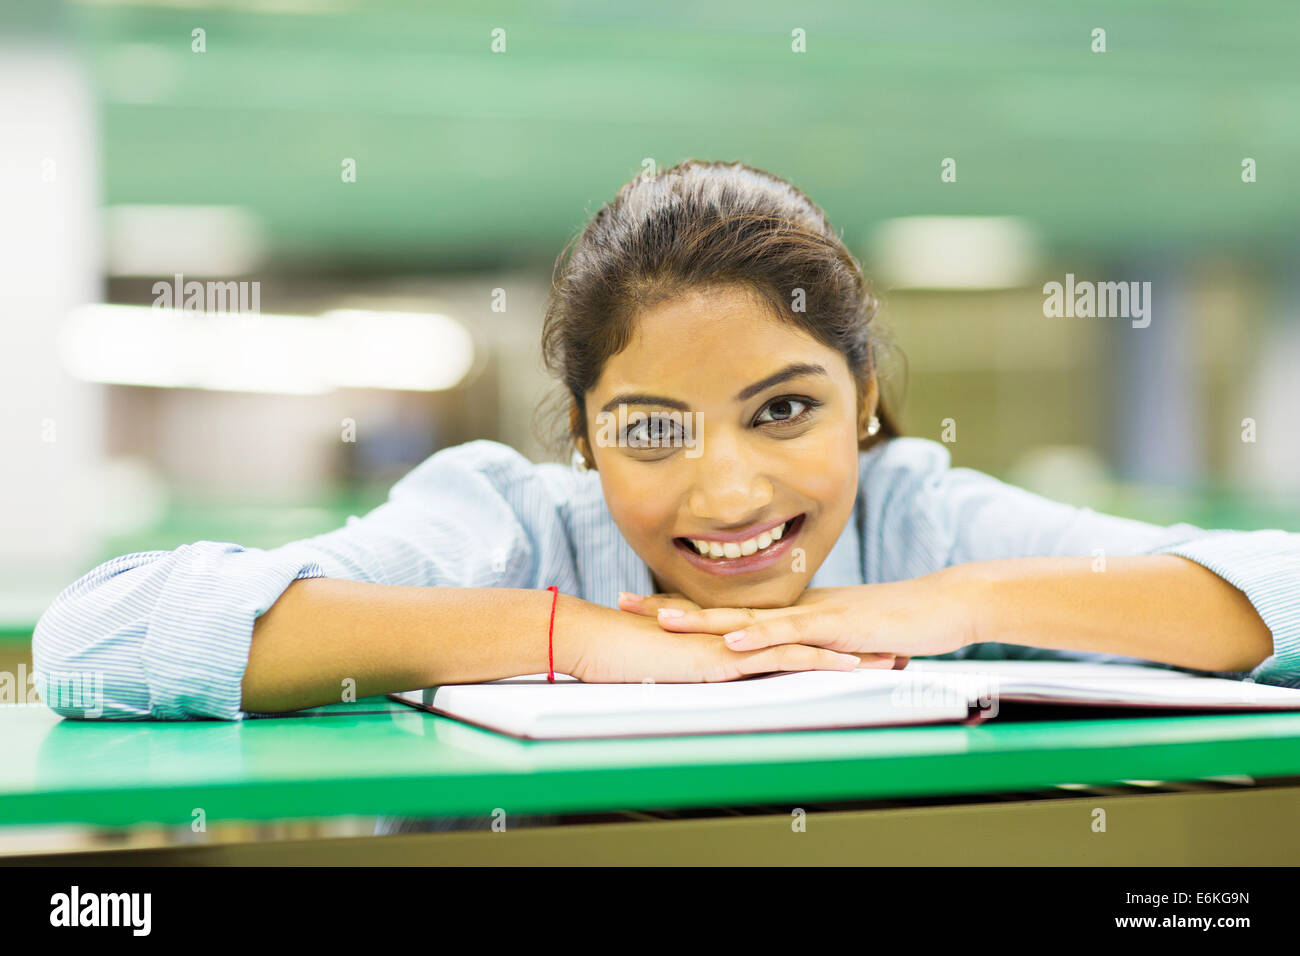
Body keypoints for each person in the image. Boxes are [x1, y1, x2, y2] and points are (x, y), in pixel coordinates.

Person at [33, 160, 1298, 733]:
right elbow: (93, 641)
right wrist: (569, 637)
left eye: (785, 409)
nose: (730, 487)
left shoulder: (921, 521)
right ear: (582, 436)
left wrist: (940, 607)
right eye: (650, 430)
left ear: (863, 398)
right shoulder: (512, 521)